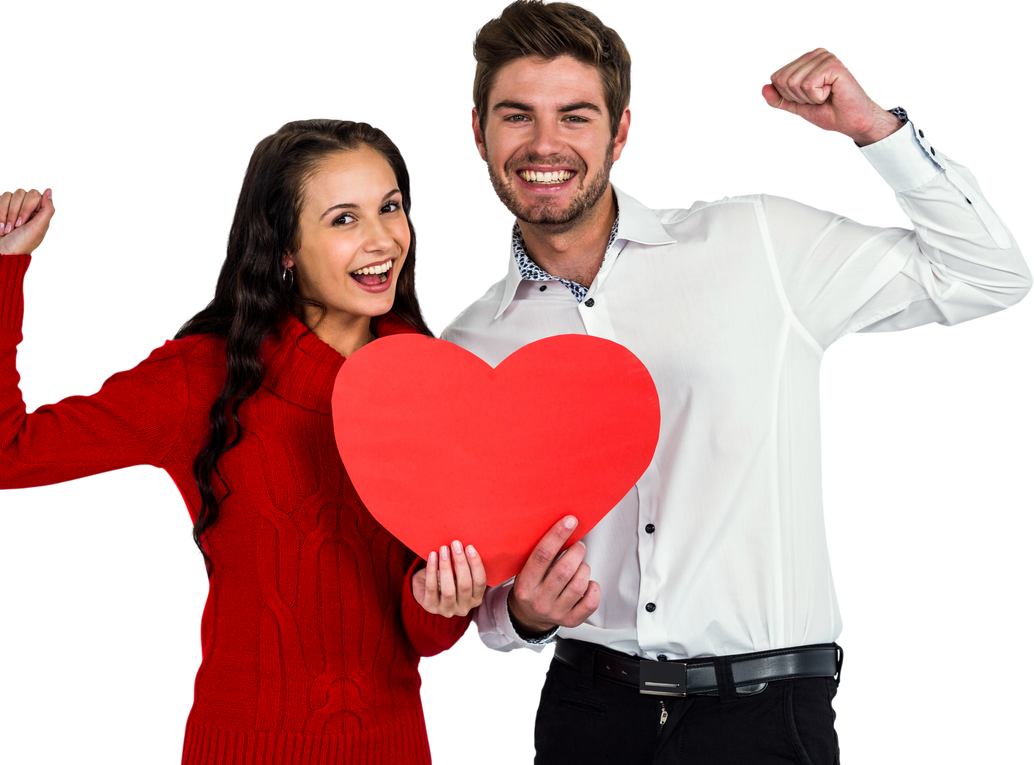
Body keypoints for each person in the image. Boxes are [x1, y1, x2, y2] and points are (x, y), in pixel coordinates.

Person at [438, 1, 1032, 763]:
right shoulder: (467, 343)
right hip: (585, 710)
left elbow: (990, 275)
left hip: (763, 717)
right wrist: (520, 614)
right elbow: (482, 593)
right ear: (477, 133)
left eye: (575, 117)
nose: (545, 144)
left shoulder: (756, 243)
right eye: (517, 116)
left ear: (621, 132)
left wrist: (874, 132)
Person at [0, 115, 488, 765]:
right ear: (286, 246)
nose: (382, 240)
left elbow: (421, 635)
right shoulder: (204, 376)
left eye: (390, 208)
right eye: (343, 219)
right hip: (242, 749)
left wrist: (446, 603)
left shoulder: (427, 374)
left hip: (395, 746)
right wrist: (3, 271)